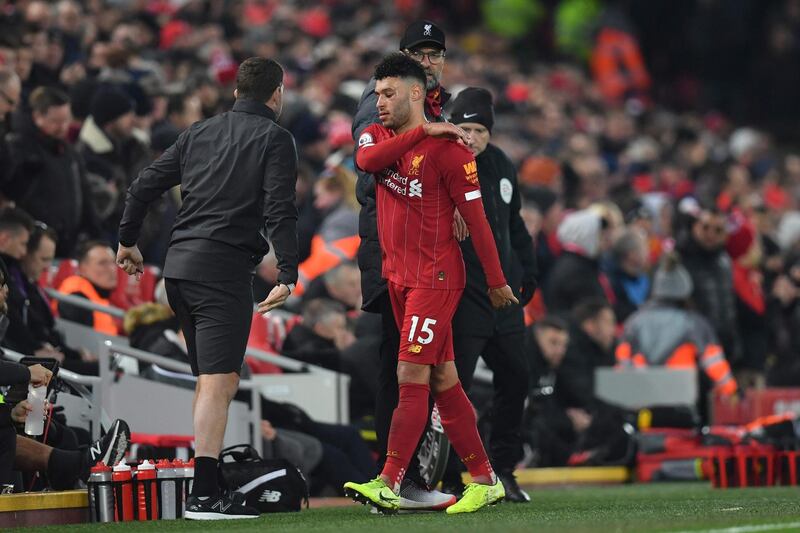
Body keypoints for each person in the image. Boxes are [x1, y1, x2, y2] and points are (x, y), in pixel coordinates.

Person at [115, 57, 299, 520]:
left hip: (177, 271)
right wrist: (288, 273)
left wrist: (127, 241)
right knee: (219, 384)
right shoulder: (276, 138)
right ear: (276, 95)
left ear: (236, 92)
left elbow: (143, 186)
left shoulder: (198, 132)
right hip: (221, 272)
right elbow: (280, 209)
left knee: (214, 380)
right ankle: (203, 496)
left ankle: (210, 483)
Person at [343, 53, 517, 515]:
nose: (378, 102)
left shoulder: (452, 151)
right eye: (377, 93)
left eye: (389, 93)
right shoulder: (378, 134)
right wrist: (421, 130)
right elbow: (365, 160)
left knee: (410, 375)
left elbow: (479, 222)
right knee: (445, 379)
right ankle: (485, 479)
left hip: (436, 280)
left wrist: (497, 283)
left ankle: (389, 480)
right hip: (398, 278)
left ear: (416, 92)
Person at [351, 19, 454, 511]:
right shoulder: (381, 102)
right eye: (420, 53)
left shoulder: (438, 111)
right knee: (399, 365)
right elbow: (368, 162)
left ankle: (412, 474)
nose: (429, 61)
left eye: (435, 54)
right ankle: (395, 480)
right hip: (391, 255)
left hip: (428, 257)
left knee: (425, 367)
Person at [441, 87, 537, 502]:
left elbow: (514, 224)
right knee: (454, 384)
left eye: (480, 130)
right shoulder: (442, 163)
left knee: (517, 377)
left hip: (505, 294)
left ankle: (503, 468)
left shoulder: (501, 165)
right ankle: (445, 475)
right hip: (465, 292)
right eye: (465, 128)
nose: (472, 138)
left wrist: (528, 269)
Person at [616, 254, 738, 401]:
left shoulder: (635, 322)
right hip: (680, 400)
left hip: (642, 399)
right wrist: (731, 390)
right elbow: (714, 363)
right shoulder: (694, 323)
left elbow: (622, 362)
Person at [4, 86, 99, 257]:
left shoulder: (71, 154)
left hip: (68, 245)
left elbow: (85, 197)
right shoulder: (18, 148)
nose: (63, 127)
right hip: (30, 247)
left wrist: (94, 233)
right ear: (37, 116)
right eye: (56, 121)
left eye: (66, 120)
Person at [56, 240, 120, 336]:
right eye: (102, 263)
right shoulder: (76, 297)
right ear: (82, 268)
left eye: (113, 262)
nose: (112, 269)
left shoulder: (98, 295)